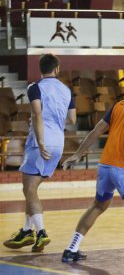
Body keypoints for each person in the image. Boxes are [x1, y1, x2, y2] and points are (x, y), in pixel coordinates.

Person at [60, 70, 124, 272]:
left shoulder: (120, 105)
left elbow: (96, 130)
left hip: (106, 166)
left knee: (98, 206)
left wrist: (78, 154)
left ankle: (71, 249)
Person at [3, 54, 76, 252]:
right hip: (59, 144)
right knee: (32, 189)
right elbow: (72, 119)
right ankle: (27, 231)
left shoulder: (35, 87)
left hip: (40, 143)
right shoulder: (67, 90)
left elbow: (37, 114)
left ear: (40, 69)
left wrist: (41, 141)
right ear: (57, 69)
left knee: (29, 190)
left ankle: (41, 232)